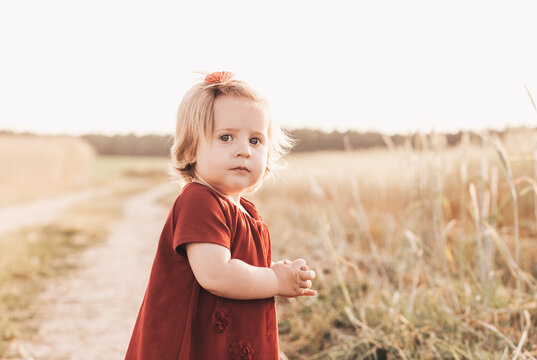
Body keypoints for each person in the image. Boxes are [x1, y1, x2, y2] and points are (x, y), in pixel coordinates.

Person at [125, 71, 316, 360]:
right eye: (226, 137)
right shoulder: (199, 200)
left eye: (255, 141)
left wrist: (278, 271)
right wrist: (275, 280)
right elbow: (216, 273)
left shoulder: (246, 211)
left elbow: (240, 268)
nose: (244, 151)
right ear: (191, 150)